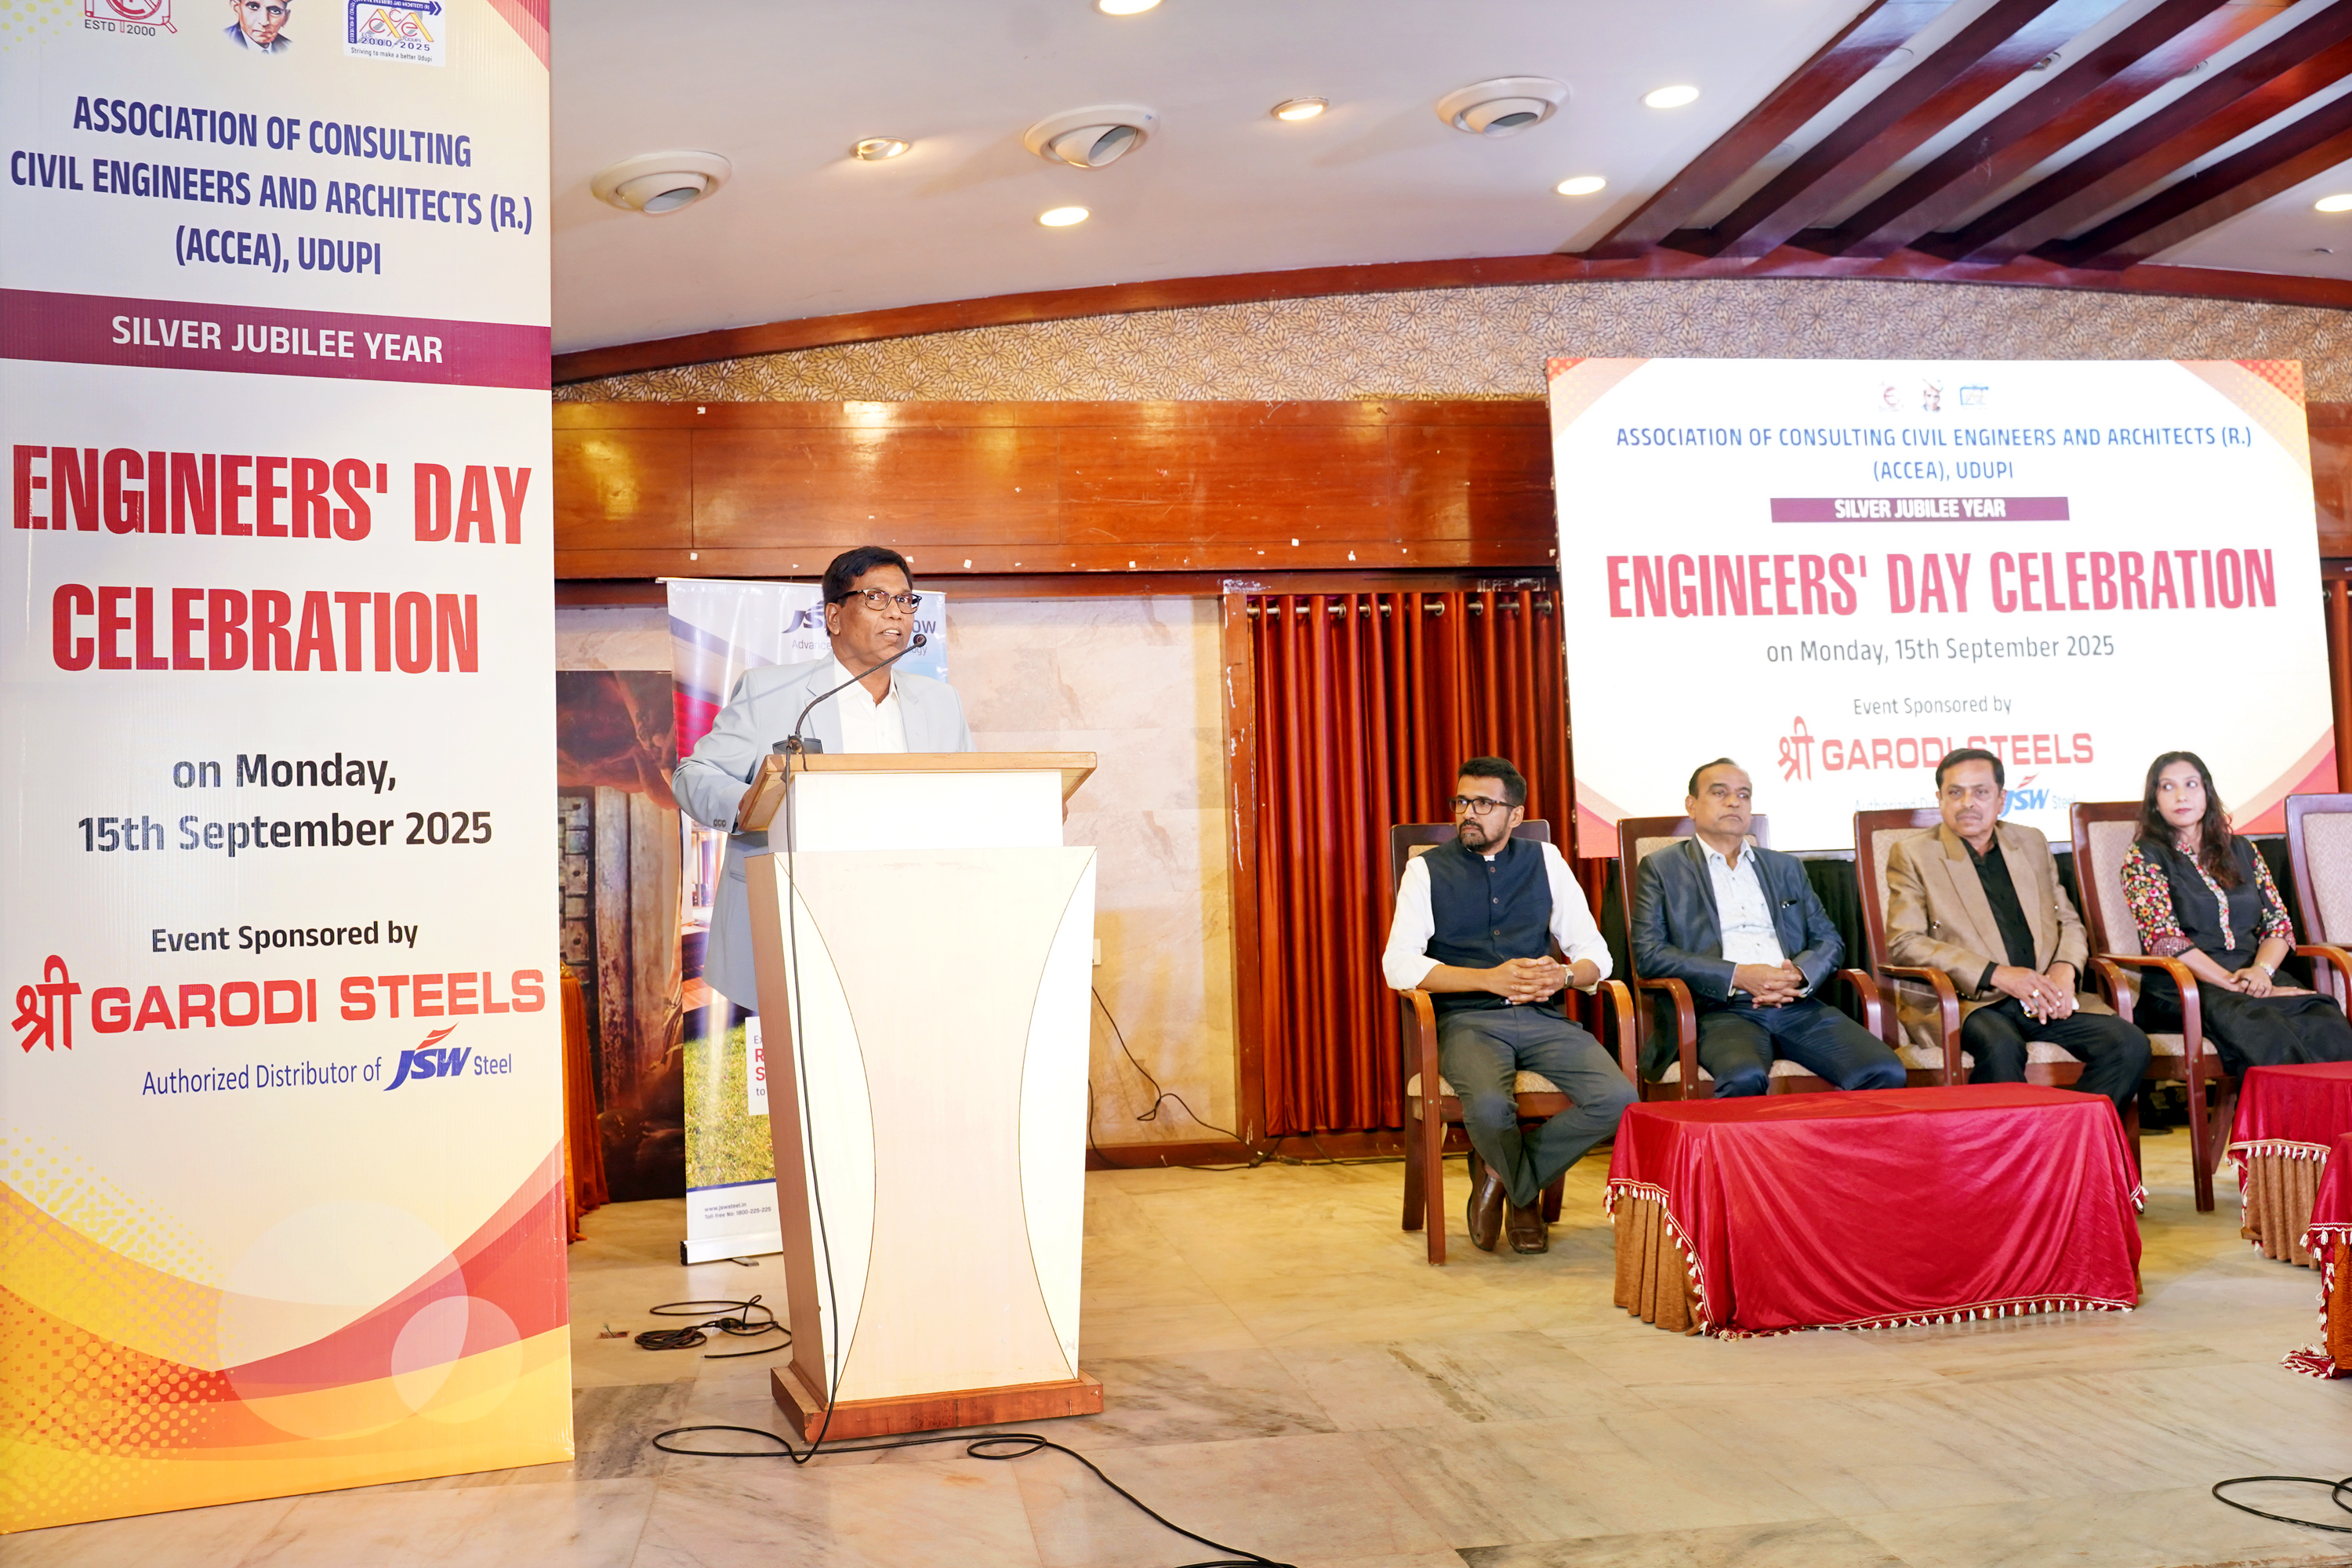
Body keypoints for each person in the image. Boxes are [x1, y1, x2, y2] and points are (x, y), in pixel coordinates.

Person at [673, 546, 973, 1010]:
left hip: (912, 916)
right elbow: (694, 774)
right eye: (876, 598)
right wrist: (748, 803)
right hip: (802, 916)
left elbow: (969, 791)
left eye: (905, 600)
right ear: (834, 616)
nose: (896, 612)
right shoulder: (771, 691)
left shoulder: (939, 701)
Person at [1381, 756, 1633, 1254]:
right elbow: (1399, 965)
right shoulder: (1425, 869)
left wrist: (1562, 976)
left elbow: (1596, 956)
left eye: (1483, 804)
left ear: (1515, 815)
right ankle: (1525, 1202)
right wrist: (1487, 979)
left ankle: (1501, 1176)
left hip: (1542, 1017)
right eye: (1461, 802)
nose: (1467, 814)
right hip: (1468, 1021)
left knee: (1619, 1101)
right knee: (1492, 1109)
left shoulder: (1546, 861)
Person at [1885, 749, 2150, 1114]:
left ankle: (2065, 1141)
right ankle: (2011, 1149)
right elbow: (1905, 942)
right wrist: (1998, 975)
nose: (1967, 803)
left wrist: (2065, 969)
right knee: (2001, 1046)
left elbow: (2069, 922)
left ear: (2001, 799)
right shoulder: (1914, 854)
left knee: (2128, 1043)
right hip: (1968, 1003)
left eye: (1980, 792)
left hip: (2041, 997)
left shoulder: (2030, 842)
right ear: (1940, 799)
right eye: (1955, 792)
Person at [1632, 758, 1907, 1095]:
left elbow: (1828, 940)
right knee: (1743, 1077)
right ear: (1692, 805)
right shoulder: (1663, 868)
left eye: (1743, 795)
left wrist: (1799, 975)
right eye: (1719, 793)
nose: (1734, 802)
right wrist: (1738, 975)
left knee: (1884, 1070)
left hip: (1795, 1004)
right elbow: (1650, 954)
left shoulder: (1784, 867)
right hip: (1719, 1010)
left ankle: (1823, 1134)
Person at [2119, 751, 2352, 1072]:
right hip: (2185, 985)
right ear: (2155, 801)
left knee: (2323, 1019)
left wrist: (2261, 973)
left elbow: (2278, 925)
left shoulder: (2242, 850)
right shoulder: (2144, 856)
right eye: (2167, 787)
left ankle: (2335, 1106)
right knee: (2266, 1029)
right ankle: (2284, 1106)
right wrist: (2235, 984)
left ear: (2207, 793)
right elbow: (2164, 939)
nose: (2181, 796)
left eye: (2191, 784)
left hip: (2253, 975)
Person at [226, 0, 291, 50]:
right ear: (237, 8)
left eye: (275, 11)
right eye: (253, 7)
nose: (264, 22)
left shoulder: (289, 47)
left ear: (286, 18)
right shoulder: (224, 41)